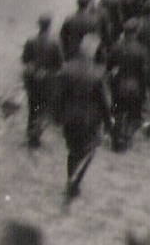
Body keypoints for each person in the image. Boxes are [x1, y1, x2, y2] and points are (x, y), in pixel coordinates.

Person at [54, 55, 113, 202]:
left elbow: (57, 96)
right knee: (90, 149)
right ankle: (75, 180)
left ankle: (70, 177)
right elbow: (105, 102)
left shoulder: (67, 68)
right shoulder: (99, 73)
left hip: (70, 117)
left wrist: (58, 117)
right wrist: (108, 121)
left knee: (72, 150)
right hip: (90, 120)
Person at [21, 14, 63, 148]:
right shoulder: (55, 42)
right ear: (49, 26)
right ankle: (37, 132)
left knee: (32, 105)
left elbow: (24, 60)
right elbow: (59, 63)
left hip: (32, 77)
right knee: (43, 106)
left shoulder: (30, 41)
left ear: (39, 25)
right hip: (47, 79)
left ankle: (31, 131)